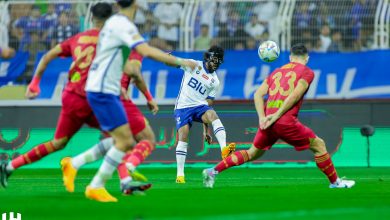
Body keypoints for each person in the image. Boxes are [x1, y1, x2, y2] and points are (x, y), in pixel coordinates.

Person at [0, 3, 154, 195]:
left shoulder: (77, 38)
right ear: (111, 21)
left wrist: (35, 83)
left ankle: (10, 166)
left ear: (90, 18)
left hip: (71, 96)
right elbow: (130, 69)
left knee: (58, 143)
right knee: (121, 139)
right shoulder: (111, 39)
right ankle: (119, 180)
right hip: (93, 96)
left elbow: (48, 55)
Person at [83, 0, 197, 202]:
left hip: (102, 89)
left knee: (121, 141)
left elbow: (127, 64)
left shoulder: (113, 24)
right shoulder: (124, 26)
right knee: (139, 140)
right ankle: (97, 181)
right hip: (105, 91)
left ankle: (120, 181)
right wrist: (181, 62)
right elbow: (144, 55)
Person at [202, 43, 355, 189]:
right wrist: (276, 116)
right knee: (319, 145)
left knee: (251, 153)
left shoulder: (276, 72)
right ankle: (335, 182)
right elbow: (295, 96)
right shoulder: (307, 72)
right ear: (307, 58)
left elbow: (257, 94)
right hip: (284, 121)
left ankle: (212, 171)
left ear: (290, 57)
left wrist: (263, 117)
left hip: (268, 122)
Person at [173, 45, 236, 184]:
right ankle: (180, 175)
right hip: (183, 107)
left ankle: (224, 149)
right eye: (214, 60)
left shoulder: (215, 82)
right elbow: (173, 62)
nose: (216, 64)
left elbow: (207, 103)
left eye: (219, 62)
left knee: (212, 114)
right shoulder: (194, 65)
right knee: (183, 137)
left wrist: (206, 129)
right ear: (208, 58)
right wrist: (167, 58)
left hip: (199, 106)